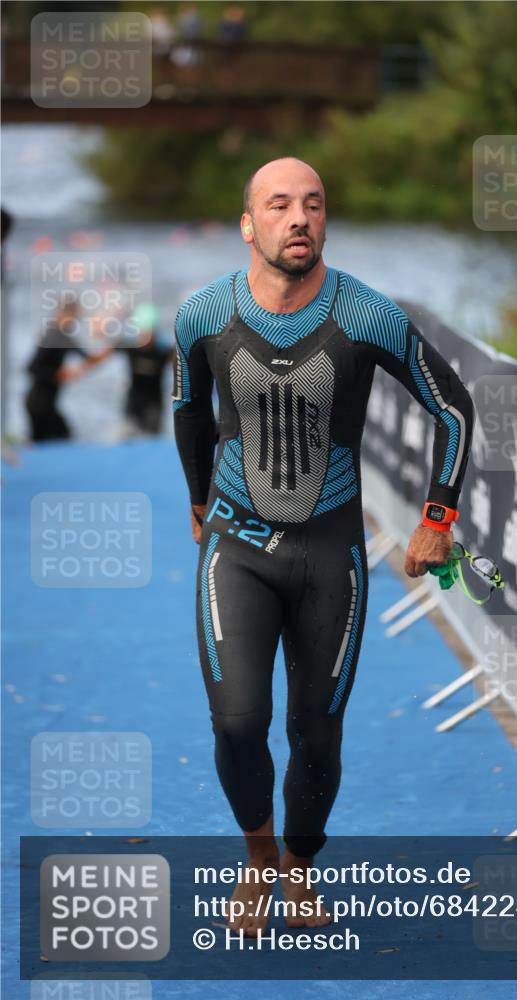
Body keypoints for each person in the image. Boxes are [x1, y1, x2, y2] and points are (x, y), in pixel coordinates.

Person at [172, 157, 474, 937]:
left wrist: (436, 517)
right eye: (279, 205)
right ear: (249, 224)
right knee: (238, 722)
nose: (298, 217)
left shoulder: (366, 315)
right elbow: (189, 411)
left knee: (315, 731)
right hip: (234, 548)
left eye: (312, 204)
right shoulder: (202, 314)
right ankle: (258, 857)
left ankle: (300, 869)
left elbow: (455, 409)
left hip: (330, 555)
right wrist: (199, 500)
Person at [25, 298, 111, 442]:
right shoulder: (52, 335)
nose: (74, 320)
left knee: (59, 438)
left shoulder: (64, 337)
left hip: (48, 402)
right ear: (62, 314)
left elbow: (89, 359)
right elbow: (32, 368)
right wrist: (58, 374)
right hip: (38, 403)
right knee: (58, 439)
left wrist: (109, 346)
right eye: (73, 315)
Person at [116, 304, 173, 436]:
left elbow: (182, 365)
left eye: (149, 333)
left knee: (152, 437)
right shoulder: (131, 349)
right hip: (133, 401)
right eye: (143, 333)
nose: (146, 337)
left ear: (156, 333)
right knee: (129, 434)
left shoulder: (163, 352)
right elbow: (105, 352)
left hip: (154, 403)